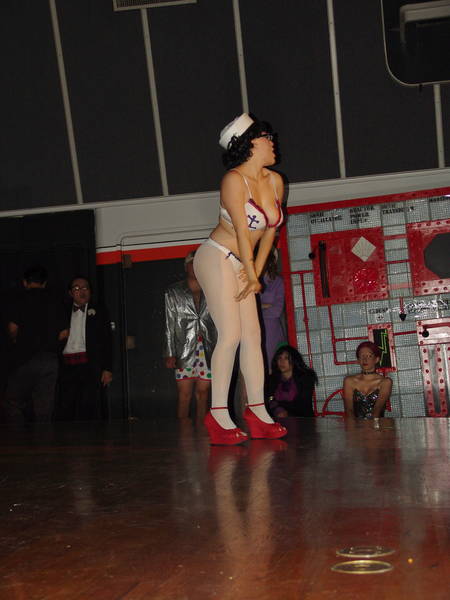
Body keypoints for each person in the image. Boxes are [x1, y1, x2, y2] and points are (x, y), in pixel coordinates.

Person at [193, 112, 287, 444]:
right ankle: (218, 415)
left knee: (253, 335)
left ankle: (257, 411)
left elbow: (270, 233)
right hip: (216, 256)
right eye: (266, 137)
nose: (272, 142)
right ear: (249, 144)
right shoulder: (233, 180)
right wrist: (250, 270)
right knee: (231, 334)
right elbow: (243, 232)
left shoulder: (275, 181)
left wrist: (255, 274)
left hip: (243, 263)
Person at [3, 265, 68, 423]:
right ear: (44, 283)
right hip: (49, 358)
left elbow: (12, 329)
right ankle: (43, 436)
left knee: (12, 401)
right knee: (44, 407)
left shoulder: (18, 300)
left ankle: (19, 434)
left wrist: (16, 341)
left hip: (23, 357)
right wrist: (51, 342)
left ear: (25, 282)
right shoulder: (56, 301)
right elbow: (64, 333)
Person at [163, 250, 217, 419]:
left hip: (208, 347)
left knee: (203, 393)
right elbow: (169, 323)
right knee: (184, 395)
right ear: (186, 266)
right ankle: (183, 430)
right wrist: (170, 353)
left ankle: (202, 430)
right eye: (192, 263)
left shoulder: (213, 288)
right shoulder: (173, 291)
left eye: (198, 263)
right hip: (184, 349)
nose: (195, 267)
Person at [57, 276, 112, 420]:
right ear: (70, 293)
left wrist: (107, 368)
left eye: (85, 288)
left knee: (89, 407)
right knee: (66, 408)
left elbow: (107, 340)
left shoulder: (99, 310)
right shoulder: (62, 311)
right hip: (66, 366)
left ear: (90, 291)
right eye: (76, 288)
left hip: (90, 365)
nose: (81, 291)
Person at [343, 341, 393, 419]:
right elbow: (349, 410)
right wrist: (353, 425)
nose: (365, 359)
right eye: (362, 356)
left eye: (369, 356)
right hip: (356, 425)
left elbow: (377, 410)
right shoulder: (349, 381)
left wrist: (372, 426)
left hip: (377, 424)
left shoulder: (385, 382)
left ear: (376, 359)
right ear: (358, 360)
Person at [267, 345, 317, 418]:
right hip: (278, 420)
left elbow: (303, 405)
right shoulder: (272, 379)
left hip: (303, 420)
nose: (282, 362)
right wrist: (277, 409)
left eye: (286, 358)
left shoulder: (305, 378)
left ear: (294, 360)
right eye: (279, 358)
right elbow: (270, 399)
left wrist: (284, 410)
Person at [260, 246, 286, 370]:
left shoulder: (278, 282)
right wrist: (266, 306)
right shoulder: (249, 281)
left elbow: (277, 311)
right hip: (252, 329)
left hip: (271, 330)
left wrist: (258, 308)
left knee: (270, 366)